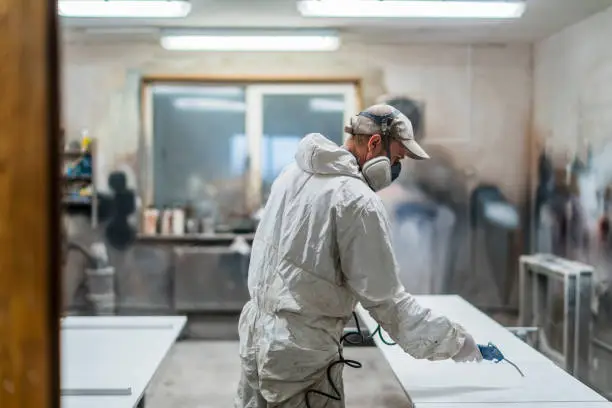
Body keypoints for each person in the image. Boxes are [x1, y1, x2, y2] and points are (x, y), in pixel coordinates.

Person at [236, 104, 483, 408]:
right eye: (396, 158)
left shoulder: (292, 174)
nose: (395, 167)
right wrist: (456, 342)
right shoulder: (356, 199)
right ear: (375, 144)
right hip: (302, 352)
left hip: (257, 340)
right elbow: (387, 302)